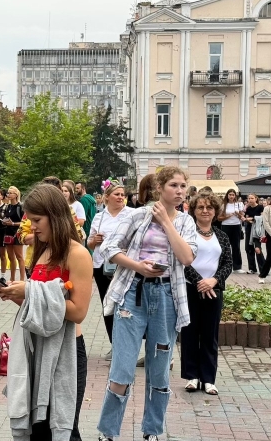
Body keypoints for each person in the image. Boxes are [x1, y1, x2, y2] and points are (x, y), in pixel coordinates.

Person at [96, 167, 197, 441]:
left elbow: (187, 257)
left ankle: (152, 431)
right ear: (160, 188)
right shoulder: (138, 215)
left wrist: (167, 223)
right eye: (174, 185)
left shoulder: (186, 222)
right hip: (132, 293)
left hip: (166, 297)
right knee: (123, 368)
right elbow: (111, 249)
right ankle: (108, 432)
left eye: (183, 186)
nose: (179, 191)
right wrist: (137, 266)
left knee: (159, 370)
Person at [0, 184, 94, 441]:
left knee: (62, 428)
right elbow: (39, 306)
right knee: (38, 428)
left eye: (37, 220)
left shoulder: (78, 254)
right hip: (36, 345)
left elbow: (78, 312)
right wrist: (15, 295)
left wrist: (29, 292)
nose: (32, 227)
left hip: (67, 349)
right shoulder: (41, 249)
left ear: (56, 216)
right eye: (29, 220)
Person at [181, 192, 232, 396]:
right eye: (200, 207)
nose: (205, 211)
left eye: (209, 207)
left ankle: (209, 379)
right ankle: (192, 376)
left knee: (210, 335)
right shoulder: (187, 233)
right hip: (190, 288)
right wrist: (199, 281)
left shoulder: (221, 235)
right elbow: (182, 261)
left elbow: (228, 263)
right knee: (190, 332)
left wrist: (214, 280)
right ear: (193, 210)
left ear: (215, 212)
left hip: (214, 290)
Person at [87, 183, 135, 347]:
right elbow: (90, 243)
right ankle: (115, 345)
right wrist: (94, 241)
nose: (121, 197)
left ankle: (127, 345)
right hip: (102, 267)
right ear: (107, 197)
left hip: (125, 266)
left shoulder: (132, 214)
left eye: (123, 194)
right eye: (117, 194)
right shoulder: (99, 217)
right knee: (107, 306)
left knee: (125, 306)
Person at [218, 189, 245, 274]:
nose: (231, 196)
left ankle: (237, 266)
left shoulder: (238, 204)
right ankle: (224, 265)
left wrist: (238, 214)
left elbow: (242, 217)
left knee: (236, 246)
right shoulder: (223, 205)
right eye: (230, 194)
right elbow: (219, 218)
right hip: (226, 226)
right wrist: (228, 216)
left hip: (236, 226)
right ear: (227, 195)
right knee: (225, 246)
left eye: (233, 195)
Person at [3, 186, 26, 282]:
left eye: (11, 193)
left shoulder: (20, 207)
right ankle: (12, 278)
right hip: (7, 232)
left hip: (17, 233)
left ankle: (21, 279)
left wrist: (13, 223)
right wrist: (3, 221)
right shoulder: (7, 206)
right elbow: (5, 218)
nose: (8, 194)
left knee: (19, 256)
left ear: (16, 194)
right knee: (10, 257)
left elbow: (24, 222)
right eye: (8, 193)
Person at [243, 193, 265, 274]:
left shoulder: (260, 207)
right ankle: (252, 268)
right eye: (249, 198)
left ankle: (263, 267)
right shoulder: (248, 208)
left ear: (256, 199)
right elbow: (246, 217)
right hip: (249, 229)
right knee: (248, 248)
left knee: (257, 249)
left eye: (252, 198)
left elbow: (262, 217)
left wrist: (252, 219)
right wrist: (245, 219)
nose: (250, 200)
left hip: (257, 230)